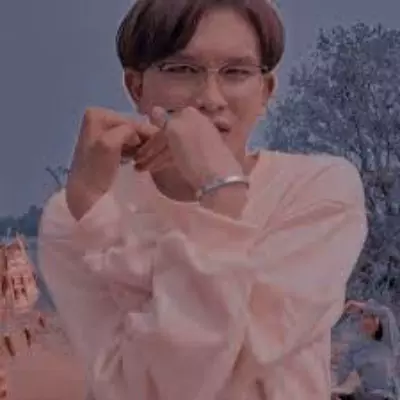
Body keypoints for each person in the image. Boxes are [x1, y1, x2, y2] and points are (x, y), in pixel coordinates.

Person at [37, 0, 368, 399]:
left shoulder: (317, 190)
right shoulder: (75, 212)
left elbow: (229, 365)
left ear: (265, 91)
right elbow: (143, 389)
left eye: (236, 72)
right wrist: (96, 215)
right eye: (181, 69)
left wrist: (219, 189)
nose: (211, 98)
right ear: (136, 87)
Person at [333, 299, 400, 400]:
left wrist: (358, 305)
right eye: (365, 317)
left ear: (379, 321)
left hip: (387, 396)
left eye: (372, 317)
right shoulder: (356, 347)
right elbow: (341, 374)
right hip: (365, 396)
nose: (368, 321)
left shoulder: (388, 341)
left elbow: (386, 313)